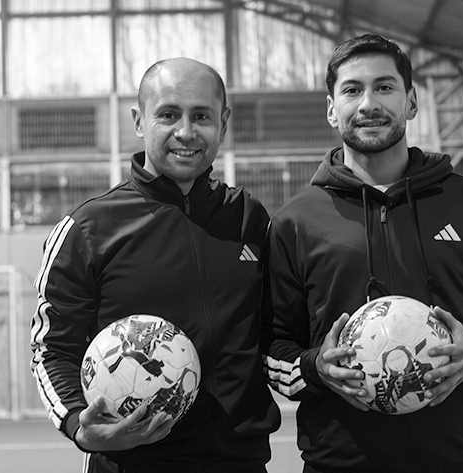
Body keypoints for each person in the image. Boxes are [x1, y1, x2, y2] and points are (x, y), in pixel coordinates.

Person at [263, 34, 463, 473]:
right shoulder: (294, 222)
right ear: (332, 109)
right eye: (352, 90)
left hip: (460, 461)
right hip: (340, 464)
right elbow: (272, 344)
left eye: (385, 87)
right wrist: (316, 368)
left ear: (411, 102)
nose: (369, 103)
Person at [30, 57, 280, 473]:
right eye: (168, 114)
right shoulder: (88, 229)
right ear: (139, 121)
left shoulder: (248, 218)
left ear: (223, 123)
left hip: (241, 462)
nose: (186, 131)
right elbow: (51, 347)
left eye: (201, 116)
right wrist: (78, 423)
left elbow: (276, 332)